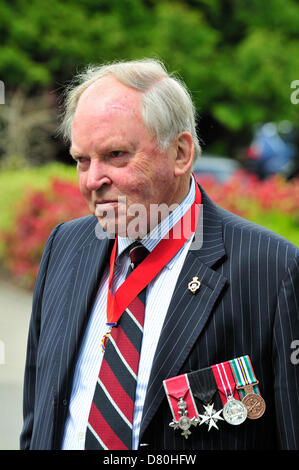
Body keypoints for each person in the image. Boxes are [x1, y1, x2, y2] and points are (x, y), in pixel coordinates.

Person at [20, 59, 299, 451]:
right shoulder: (65, 246)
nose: (92, 179)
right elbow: (37, 420)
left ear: (181, 152)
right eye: (81, 159)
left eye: (116, 155)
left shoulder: (273, 268)